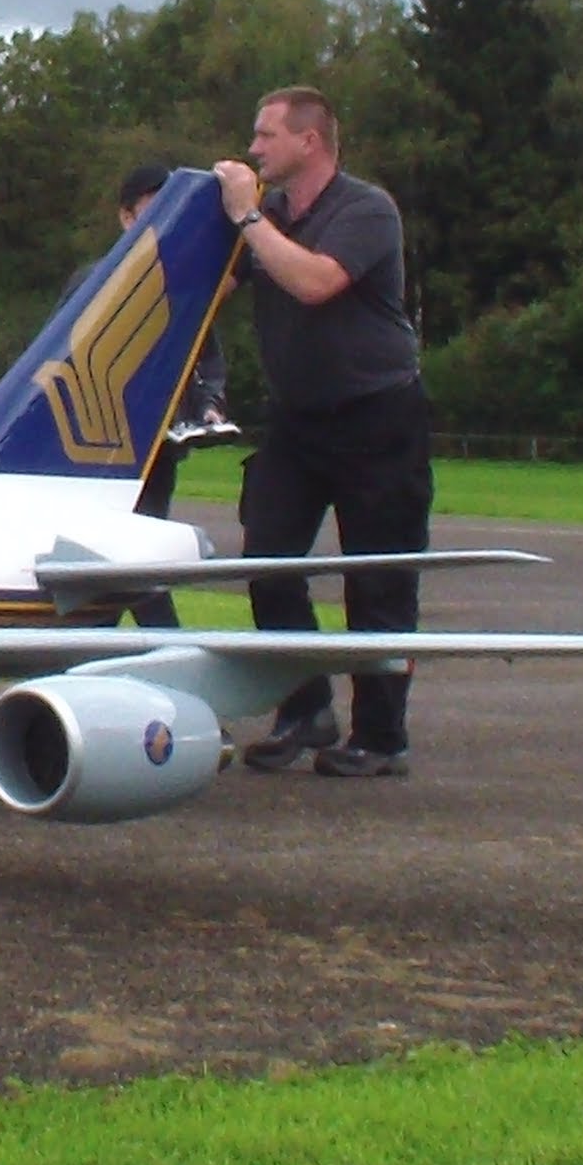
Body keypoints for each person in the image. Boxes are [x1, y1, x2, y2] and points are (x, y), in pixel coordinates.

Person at [213, 87, 432, 777]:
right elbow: (218, 289)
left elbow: (313, 282)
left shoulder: (365, 209)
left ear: (310, 142)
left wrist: (245, 214)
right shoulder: (272, 216)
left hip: (378, 416)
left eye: (266, 135)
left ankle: (381, 737)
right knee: (268, 562)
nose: (254, 149)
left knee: (378, 581)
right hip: (298, 422)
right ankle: (304, 708)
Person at [79, 165, 239, 628]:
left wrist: (208, 402)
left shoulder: (183, 283)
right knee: (115, 555)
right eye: (151, 213)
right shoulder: (94, 280)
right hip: (98, 446)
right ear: (127, 219)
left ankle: (103, 647)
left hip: (157, 443)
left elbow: (205, 355)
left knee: (133, 552)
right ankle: (155, 644)